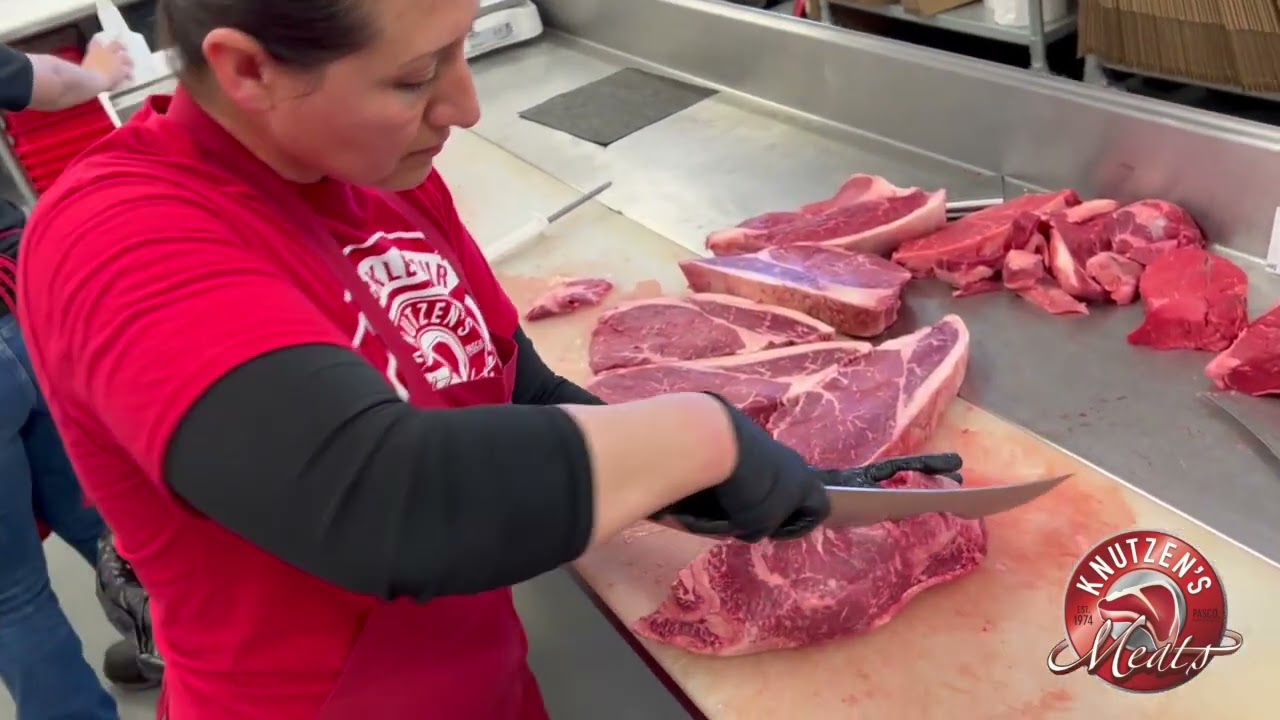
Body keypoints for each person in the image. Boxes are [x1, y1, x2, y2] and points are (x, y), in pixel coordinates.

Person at [14, 1, 960, 718]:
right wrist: (694, 438)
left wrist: (697, 484)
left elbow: (511, 382)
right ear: (247, 69)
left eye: (462, 48)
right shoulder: (125, 236)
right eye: (417, 74)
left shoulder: (375, 177)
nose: (463, 106)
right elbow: (385, 502)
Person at [0, 36, 151, 720]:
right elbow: (53, 84)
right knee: (110, 521)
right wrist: (97, 73)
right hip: (20, 312)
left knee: (11, 596)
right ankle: (180, 657)